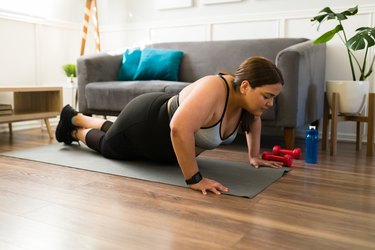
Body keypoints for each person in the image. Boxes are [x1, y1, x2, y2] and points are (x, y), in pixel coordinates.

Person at [55, 56, 284, 195]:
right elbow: (178, 128)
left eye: (273, 97)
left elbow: (254, 123)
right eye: (267, 96)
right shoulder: (214, 88)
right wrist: (194, 179)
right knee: (109, 146)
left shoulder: (249, 106)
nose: (270, 103)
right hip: (146, 123)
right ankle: (73, 128)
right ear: (245, 86)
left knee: (116, 134)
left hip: (161, 148)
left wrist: (253, 156)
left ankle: (74, 116)